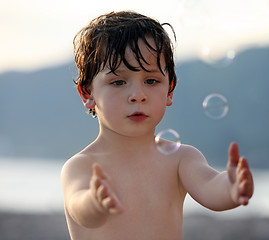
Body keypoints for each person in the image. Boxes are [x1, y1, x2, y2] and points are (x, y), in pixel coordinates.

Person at [61, 10, 254, 240]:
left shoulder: (180, 159)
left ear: (169, 89)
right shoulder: (82, 166)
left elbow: (210, 187)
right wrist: (94, 201)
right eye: (118, 81)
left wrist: (231, 187)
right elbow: (79, 208)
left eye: (151, 80)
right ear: (87, 93)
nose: (138, 95)